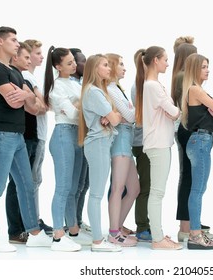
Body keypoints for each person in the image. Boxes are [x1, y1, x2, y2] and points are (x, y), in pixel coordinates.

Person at [0, 26, 52, 252]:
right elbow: (14, 102)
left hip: (18, 136)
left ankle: (34, 233)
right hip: (1, 136)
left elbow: (33, 106)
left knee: (26, 185)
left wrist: (26, 94)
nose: (17, 43)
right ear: (0, 42)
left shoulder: (15, 72)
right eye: (13, 40)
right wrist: (25, 96)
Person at [43, 46, 90, 252]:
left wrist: (80, 104)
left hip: (77, 136)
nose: (74, 65)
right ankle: (57, 235)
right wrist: (83, 105)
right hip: (63, 136)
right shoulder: (57, 87)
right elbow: (72, 114)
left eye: (74, 61)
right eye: (69, 63)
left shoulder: (74, 84)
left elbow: (81, 110)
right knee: (63, 188)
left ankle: (73, 231)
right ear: (57, 66)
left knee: (73, 188)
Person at [135, 46, 182, 250]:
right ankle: (157, 239)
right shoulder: (152, 86)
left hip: (160, 142)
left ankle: (158, 235)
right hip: (158, 144)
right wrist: (176, 111)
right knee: (157, 192)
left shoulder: (153, 85)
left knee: (157, 191)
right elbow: (174, 112)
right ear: (155, 60)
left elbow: (172, 113)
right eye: (165, 60)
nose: (167, 63)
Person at [78, 54, 122, 252]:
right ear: (95, 69)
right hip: (98, 144)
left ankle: (97, 238)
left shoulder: (98, 91)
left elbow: (114, 117)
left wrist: (112, 116)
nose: (109, 68)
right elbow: (115, 119)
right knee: (96, 194)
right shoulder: (94, 92)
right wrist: (112, 116)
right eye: (105, 65)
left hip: (102, 143)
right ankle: (97, 241)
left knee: (97, 193)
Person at [171, 43, 213, 242]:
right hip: (188, 131)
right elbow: (208, 108)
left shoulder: (183, 78)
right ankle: (187, 227)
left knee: (191, 179)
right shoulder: (184, 79)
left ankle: (190, 223)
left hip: (187, 129)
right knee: (189, 179)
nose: (202, 66)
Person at [5, 41, 47, 244]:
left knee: (25, 183)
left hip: (30, 137)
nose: (30, 60)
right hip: (24, 136)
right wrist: (33, 99)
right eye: (27, 57)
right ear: (16, 58)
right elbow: (35, 107)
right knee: (17, 184)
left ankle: (26, 227)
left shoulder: (25, 79)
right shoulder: (17, 77)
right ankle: (16, 230)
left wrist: (31, 98)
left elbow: (42, 105)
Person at [180, 53, 213, 250]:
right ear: (194, 69)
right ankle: (195, 235)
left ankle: (195, 232)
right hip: (201, 141)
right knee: (197, 190)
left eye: (208, 66)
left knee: (199, 189)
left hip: (201, 141)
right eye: (204, 66)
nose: (207, 70)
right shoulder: (195, 90)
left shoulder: (196, 90)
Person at [106, 53, 139, 246]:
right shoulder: (111, 89)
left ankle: (117, 227)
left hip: (126, 138)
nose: (124, 68)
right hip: (120, 139)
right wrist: (132, 112)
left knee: (134, 188)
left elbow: (129, 115)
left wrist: (129, 113)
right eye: (120, 64)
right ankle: (113, 233)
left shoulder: (118, 89)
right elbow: (131, 115)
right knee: (118, 187)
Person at [22, 39, 53, 235]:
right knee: (31, 180)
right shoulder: (26, 76)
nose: (41, 57)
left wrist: (41, 103)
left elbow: (45, 105)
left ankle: (34, 219)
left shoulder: (33, 78)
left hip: (39, 135)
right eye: (37, 53)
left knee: (35, 180)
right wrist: (40, 103)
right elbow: (39, 108)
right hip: (33, 135)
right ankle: (31, 223)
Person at [68, 48, 91, 234]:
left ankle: (78, 219)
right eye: (82, 61)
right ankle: (71, 223)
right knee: (75, 185)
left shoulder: (83, 83)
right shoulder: (69, 84)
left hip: (86, 138)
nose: (85, 64)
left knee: (84, 184)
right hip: (75, 136)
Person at [131, 48, 153, 242]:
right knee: (146, 186)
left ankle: (146, 224)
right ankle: (142, 227)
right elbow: (142, 118)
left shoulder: (147, 84)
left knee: (149, 186)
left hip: (146, 141)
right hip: (143, 142)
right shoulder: (140, 86)